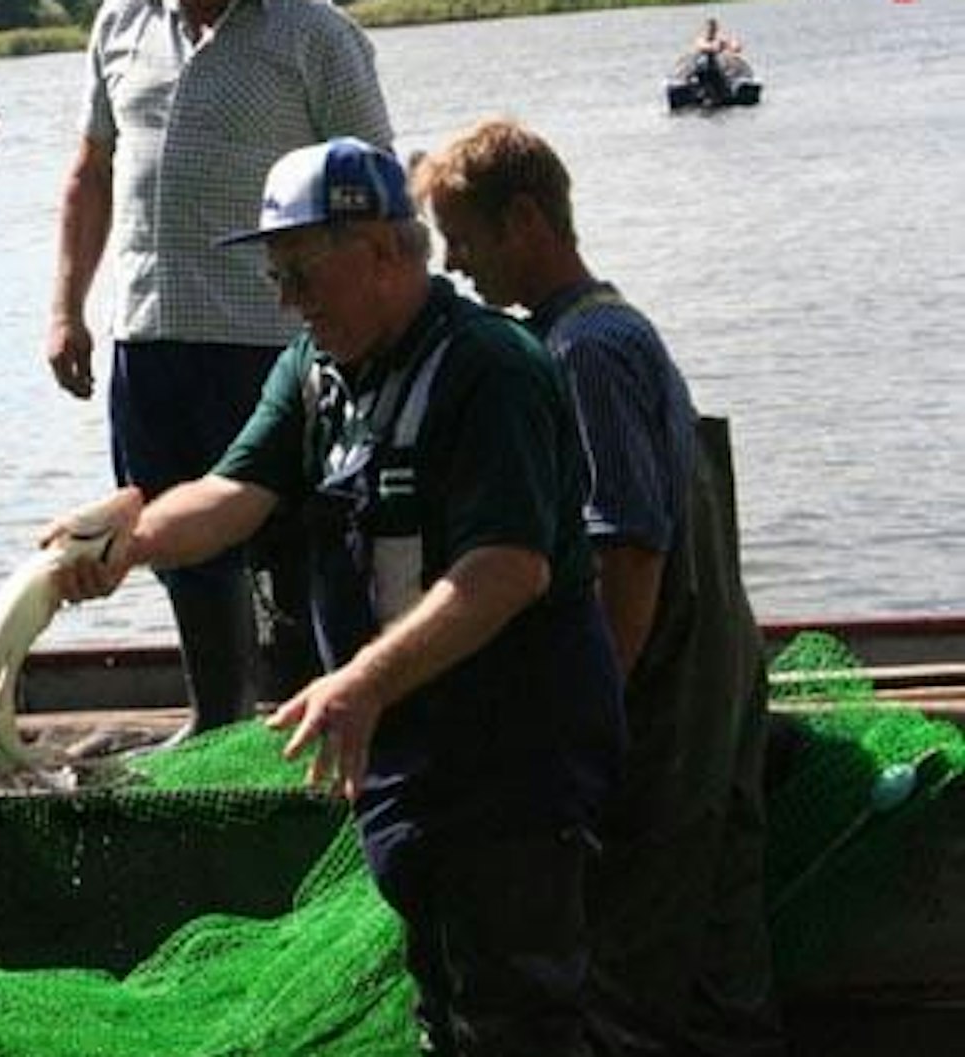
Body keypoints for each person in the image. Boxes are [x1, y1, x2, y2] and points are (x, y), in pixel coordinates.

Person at [49, 138, 624, 1056]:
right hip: (402, 751)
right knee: (442, 1004)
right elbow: (237, 493)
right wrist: (129, 541)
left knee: (520, 1014)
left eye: (304, 273)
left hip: (516, 753)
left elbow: (508, 569)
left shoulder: (492, 369)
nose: (287, 300)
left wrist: (360, 679)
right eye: (277, 275)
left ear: (388, 252)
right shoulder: (314, 370)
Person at [415, 118, 783, 1057]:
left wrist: (594, 720)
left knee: (633, 979)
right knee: (720, 973)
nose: (454, 265)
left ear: (526, 221)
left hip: (663, 711)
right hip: (712, 681)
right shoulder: (603, 328)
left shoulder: (586, 350)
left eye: (463, 238)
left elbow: (629, 552)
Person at [44, 0, 393, 740]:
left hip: (273, 342)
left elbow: (376, 187)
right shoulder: (120, 24)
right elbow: (92, 172)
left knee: (297, 543)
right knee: (177, 539)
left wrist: (375, 325)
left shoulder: (314, 33)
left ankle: (314, 718)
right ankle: (216, 722)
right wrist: (65, 309)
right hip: (149, 339)